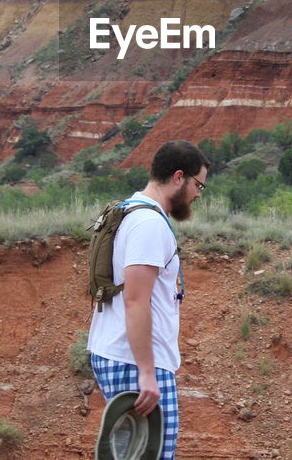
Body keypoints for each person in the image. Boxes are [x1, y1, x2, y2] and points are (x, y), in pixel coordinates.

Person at [87, 140, 210, 460]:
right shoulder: (150, 224)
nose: (199, 193)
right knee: (150, 454)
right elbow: (135, 301)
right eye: (199, 184)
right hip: (135, 361)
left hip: (119, 352)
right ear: (179, 177)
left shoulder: (132, 209)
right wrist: (146, 373)